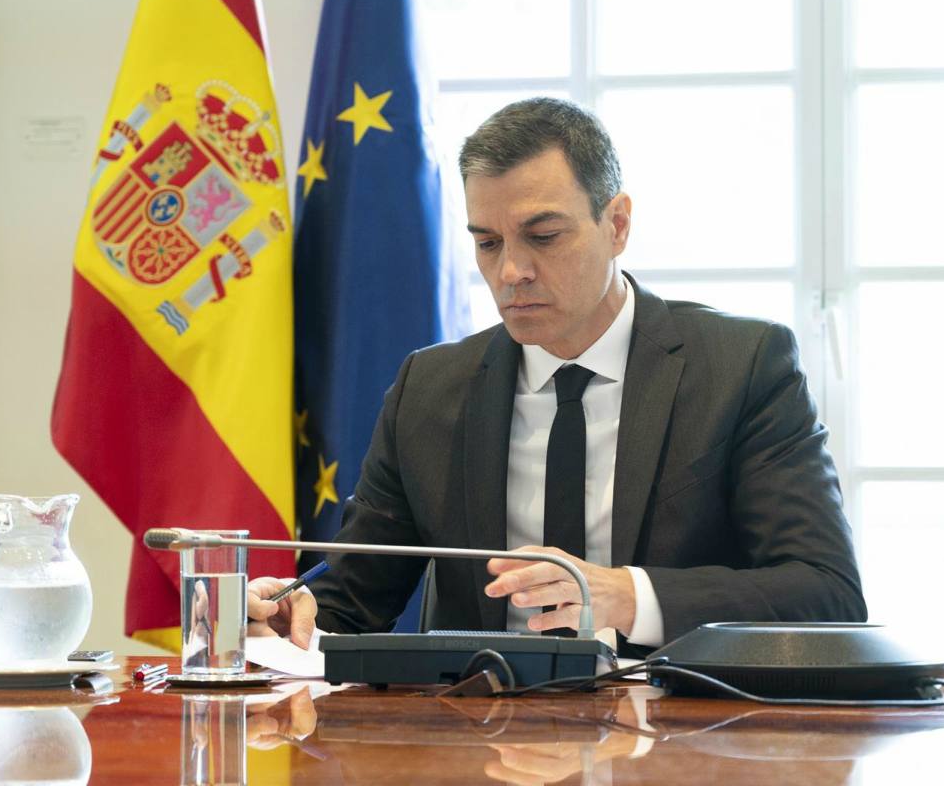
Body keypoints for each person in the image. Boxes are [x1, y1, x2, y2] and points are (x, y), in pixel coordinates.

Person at [247, 97, 866, 654]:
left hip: (679, 739)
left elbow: (827, 592)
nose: (513, 270)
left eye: (543, 236)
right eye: (487, 244)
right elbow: (351, 605)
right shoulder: (429, 389)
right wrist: (289, 618)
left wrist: (627, 596)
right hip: (480, 740)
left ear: (617, 224)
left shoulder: (742, 365)